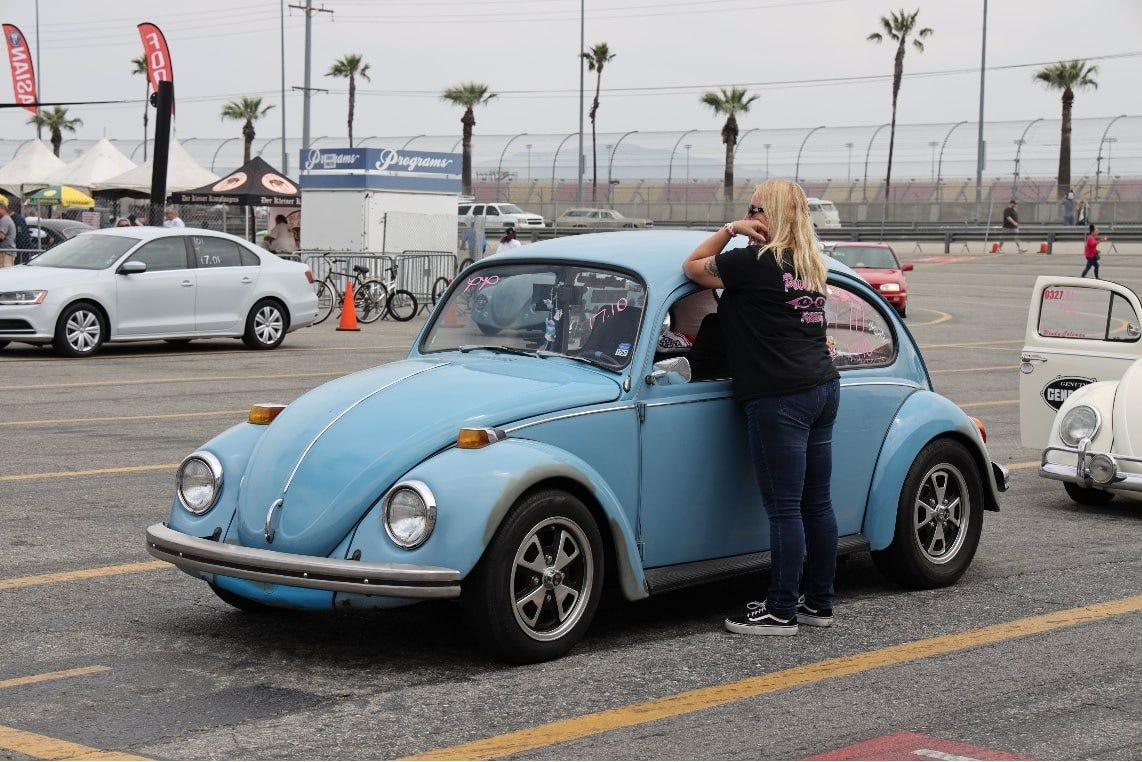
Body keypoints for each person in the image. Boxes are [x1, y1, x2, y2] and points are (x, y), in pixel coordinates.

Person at [682, 179, 840, 636]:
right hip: (822, 389)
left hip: (779, 396)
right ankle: (818, 603)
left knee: (785, 509)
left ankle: (781, 609)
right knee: (816, 504)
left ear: (770, 215)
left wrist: (730, 228)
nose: (750, 216)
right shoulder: (809, 263)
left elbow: (692, 267)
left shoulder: (752, 260)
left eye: (755, 210)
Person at [0, 195, 17, 267]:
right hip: (7, 252)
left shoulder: (5, 220)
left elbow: (1, 236)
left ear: (2, 209)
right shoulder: (6, 219)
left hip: (6, 253)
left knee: (4, 274)